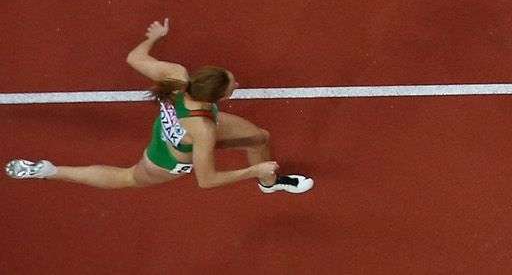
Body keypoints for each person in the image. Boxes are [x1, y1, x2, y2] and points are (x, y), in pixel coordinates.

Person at [3, 20, 311, 194]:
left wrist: (154, 39)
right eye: (232, 85)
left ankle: (269, 184)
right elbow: (207, 180)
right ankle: (50, 171)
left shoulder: (176, 76)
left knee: (259, 138)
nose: (237, 84)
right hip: (166, 159)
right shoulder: (203, 129)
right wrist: (252, 169)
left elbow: (134, 58)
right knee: (127, 178)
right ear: (215, 98)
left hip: (179, 129)